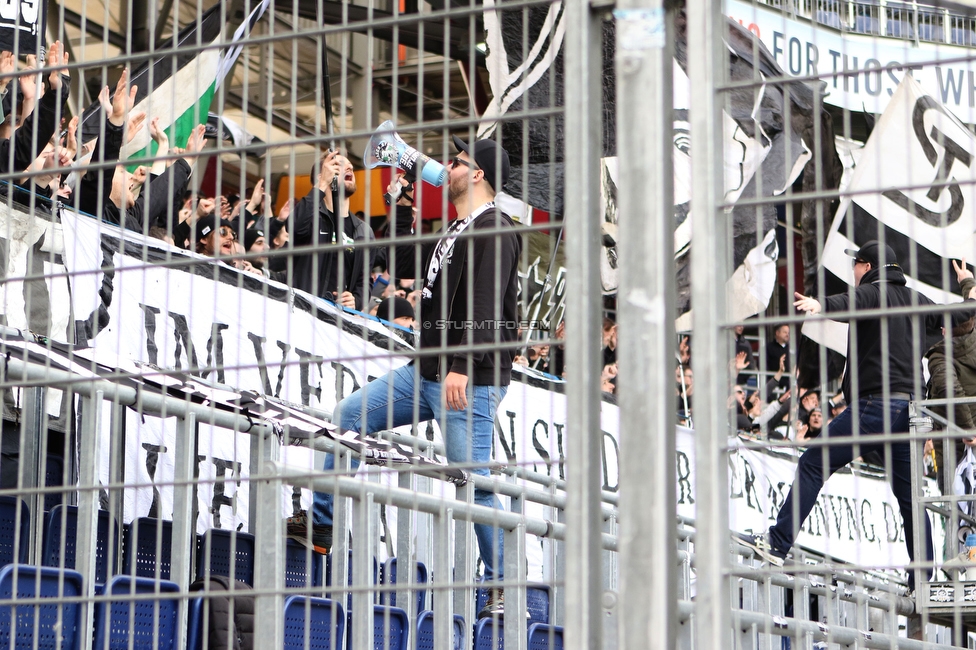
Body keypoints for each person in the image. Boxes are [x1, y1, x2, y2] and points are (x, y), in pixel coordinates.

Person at [291, 136, 521, 618]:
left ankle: (503, 587)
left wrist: (461, 364)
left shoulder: (496, 226)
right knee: (346, 417)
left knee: (474, 480)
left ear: (477, 174)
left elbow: (483, 300)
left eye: (457, 161)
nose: (448, 166)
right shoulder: (456, 227)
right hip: (427, 370)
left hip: (467, 376)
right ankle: (322, 526)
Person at [745, 241, 975, 590]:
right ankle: (922, 580)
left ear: (867, 267)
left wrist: (820, 304)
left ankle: (777, 543)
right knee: (912, 498)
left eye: (856, 267)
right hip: (910, 413)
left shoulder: (875, 291)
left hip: (875, 407)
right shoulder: (916, 299)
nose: (853, 274)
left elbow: (853, 302)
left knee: (812, 463)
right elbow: (964, 311)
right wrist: (968, 284)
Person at [288, 150, 375, 309]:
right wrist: (321, 185)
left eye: (350, 166)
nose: (349, 169)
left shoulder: (364, 231)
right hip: (303, 311)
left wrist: (356, 300)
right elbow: (294, 227)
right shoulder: (312, 217)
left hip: (337, 322)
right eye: (339, 166)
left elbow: (364, 279)